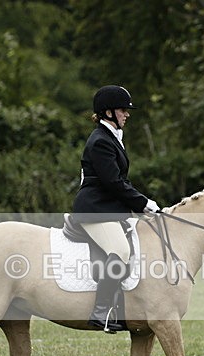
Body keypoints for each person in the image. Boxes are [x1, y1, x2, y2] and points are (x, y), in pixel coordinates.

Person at [72, 85, 160, 333]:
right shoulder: (100, 141)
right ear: (108, 112)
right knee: (120, 250)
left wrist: (140, 202)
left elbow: (120, 181)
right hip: (94, 210)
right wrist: (143, 203)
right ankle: (102, 312)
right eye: (123, 110)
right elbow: (113, 182)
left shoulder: (110, 138)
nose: (127, 114)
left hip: (108, 208)